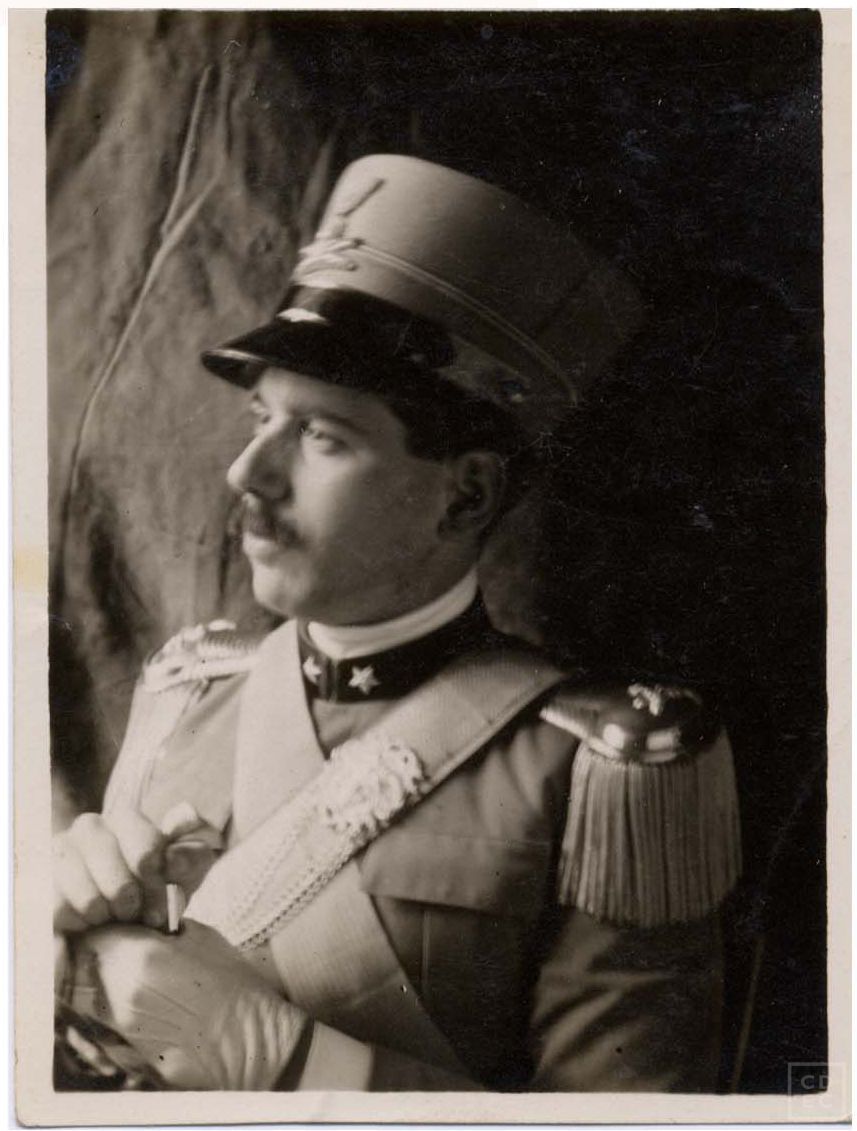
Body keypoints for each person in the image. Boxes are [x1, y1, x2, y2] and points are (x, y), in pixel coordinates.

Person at [53, 154, 741, 1092]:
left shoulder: (606, 773)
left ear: (465, 495)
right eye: (259, 418)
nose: (248, 473)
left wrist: (287, 1058)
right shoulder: (188, 692)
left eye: (322, 436)